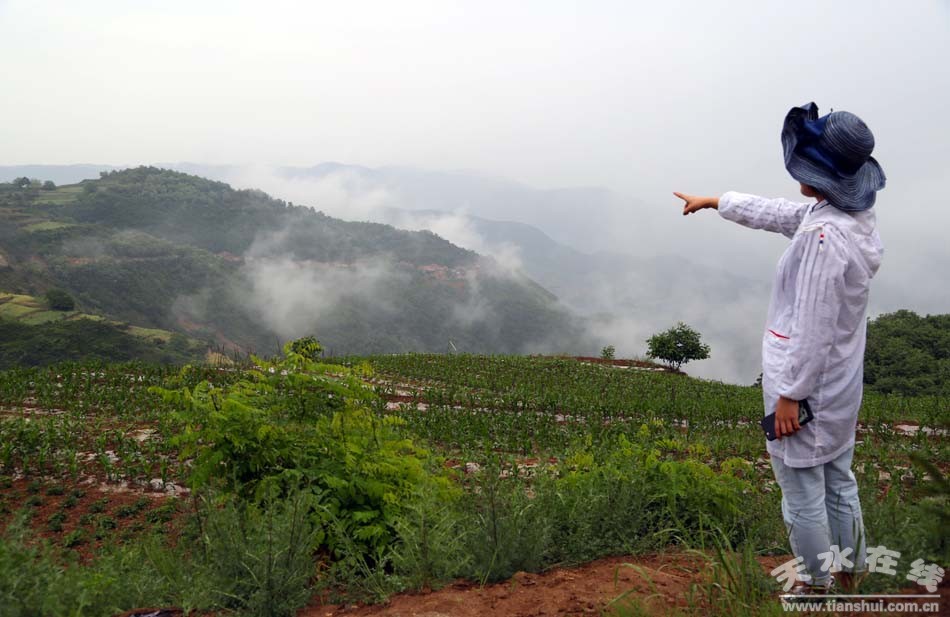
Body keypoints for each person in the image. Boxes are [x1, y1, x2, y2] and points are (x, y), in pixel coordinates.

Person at [673, 102, 885, 595]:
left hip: (807, 389)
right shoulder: (848, 218)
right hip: (840, 385)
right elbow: (781, 213)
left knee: (800, 488)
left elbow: (812, 325)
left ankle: (814, 586)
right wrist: (716, 200)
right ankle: (852, 571)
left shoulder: (822, 239)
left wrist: (791, 394)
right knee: (838, 478)